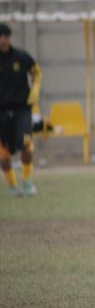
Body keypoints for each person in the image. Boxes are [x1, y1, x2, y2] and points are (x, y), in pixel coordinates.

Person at [0, 22, 41, 197]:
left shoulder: (21, 57)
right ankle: (12, 185)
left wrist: (35, 90)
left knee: (27, 144)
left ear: (9, 38)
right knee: (4, 153)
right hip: (1, 111)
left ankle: (28, 182)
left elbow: (37, 72)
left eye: (4, 36)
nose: (1, 40)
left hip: (22, 109)